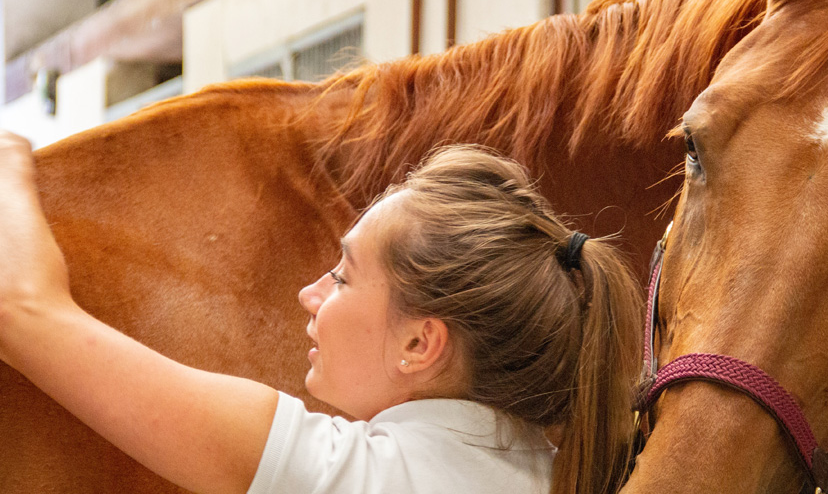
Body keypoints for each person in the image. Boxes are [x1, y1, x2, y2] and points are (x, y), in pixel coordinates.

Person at [0, 131, 642, 494]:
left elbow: (21, 309)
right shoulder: (563, 475)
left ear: (421, 344)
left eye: (342, 275)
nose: (310, 294)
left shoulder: (346, 478)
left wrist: (6, 160)